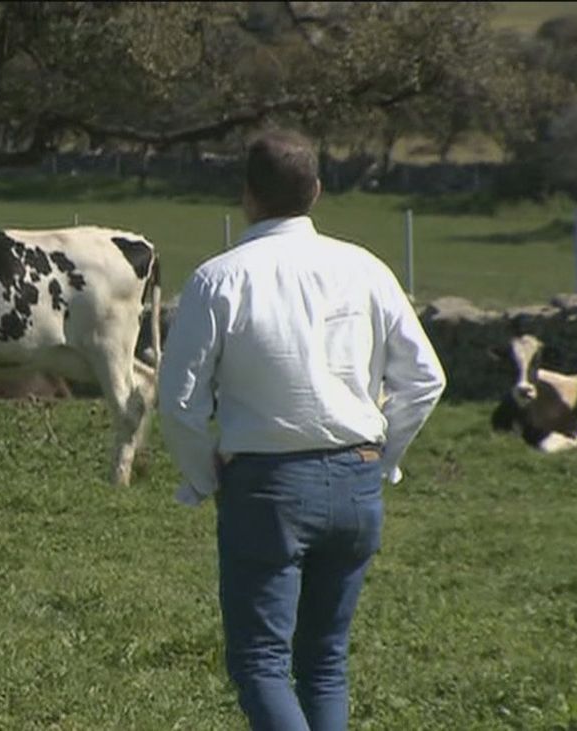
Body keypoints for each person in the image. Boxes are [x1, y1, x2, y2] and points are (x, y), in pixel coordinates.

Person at [157, 127, 446, 731]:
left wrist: (204, 476)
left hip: (267, 486)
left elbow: (180, 401)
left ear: (247, 195)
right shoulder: (365, 268)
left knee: (261, 663)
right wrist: (385, 456)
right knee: (324, 663)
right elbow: (425, 378)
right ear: (316, 191)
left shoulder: (218, 279)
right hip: (356, 479)